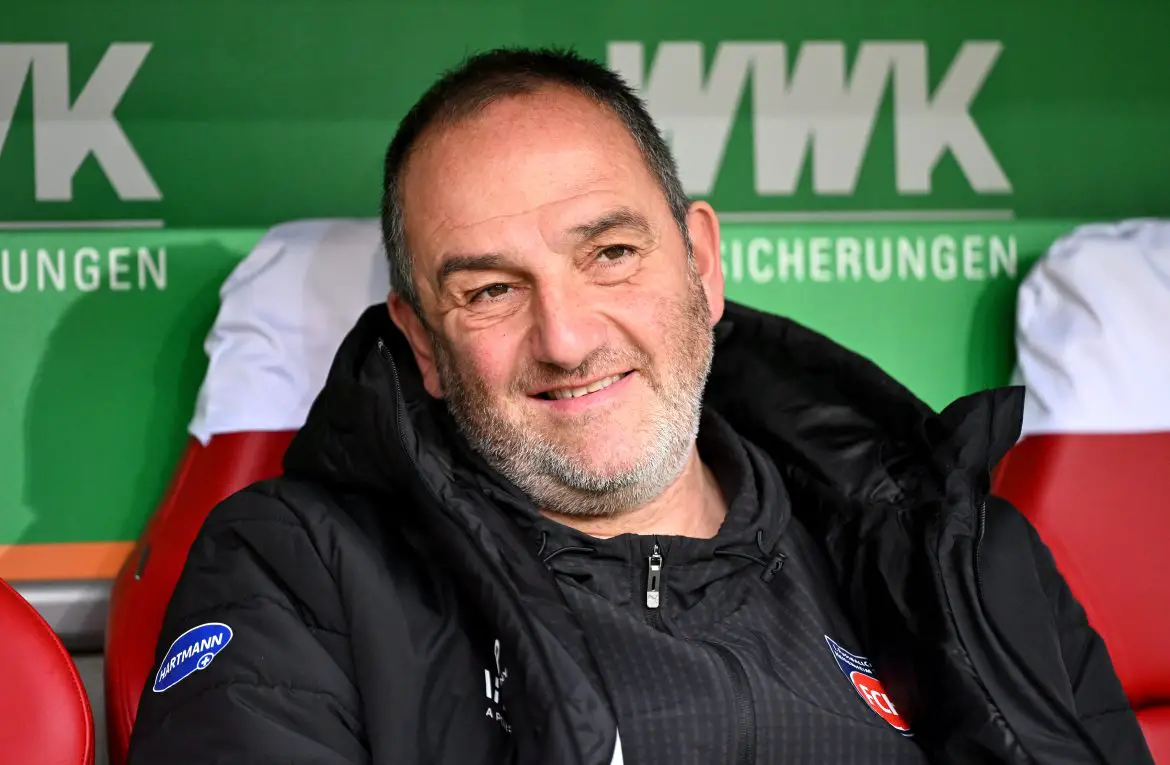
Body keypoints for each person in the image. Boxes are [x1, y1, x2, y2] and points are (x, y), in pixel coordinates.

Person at [126, 48, 1153, 765]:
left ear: (701, 263)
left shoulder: (958, 558)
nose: (566, 338)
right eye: (490, 291)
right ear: (421, 344)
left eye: (609, 254)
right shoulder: (300, 572)